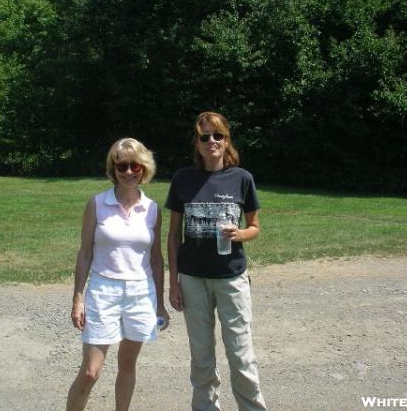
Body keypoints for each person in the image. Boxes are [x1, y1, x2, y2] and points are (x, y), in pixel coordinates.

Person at [166, 111, 267, 411]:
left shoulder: (242, 178)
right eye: (204, 136)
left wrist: (240, 234)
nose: (211, 141)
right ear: (196, 143)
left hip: (231, 279)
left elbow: (255, 227)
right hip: (193, 279)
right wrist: (174, 283)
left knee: (241, 354)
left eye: (217, 135)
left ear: (227, 140)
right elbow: (173, 235)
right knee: (201, 356)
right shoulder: (183, 179)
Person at [67, 137, 169, 411]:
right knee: (91, 370)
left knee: (127, 364)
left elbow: (156, 259)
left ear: (143, 168)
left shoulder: (152, 209)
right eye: (122, 166)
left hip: (140, 293)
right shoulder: (97, 204)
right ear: (113, 169)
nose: (128, 172)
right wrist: (78, 298)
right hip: (103, 291)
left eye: (134, 166)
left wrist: (160, 303)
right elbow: (85, 254)